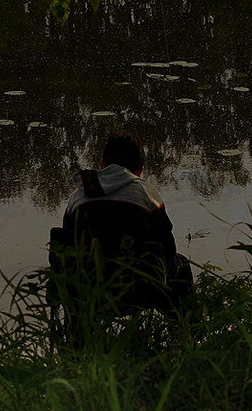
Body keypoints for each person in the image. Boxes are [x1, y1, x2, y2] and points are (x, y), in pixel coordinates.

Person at [50, 130, 193, 317]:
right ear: (140, 171)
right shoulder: (146, 194)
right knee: (181, 264)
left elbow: (64, 250)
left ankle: (77, 341)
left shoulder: (79, 196)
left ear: (102, 165)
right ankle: (187, 335)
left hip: (86, 291)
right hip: (139, 292)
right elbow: (168, 249)